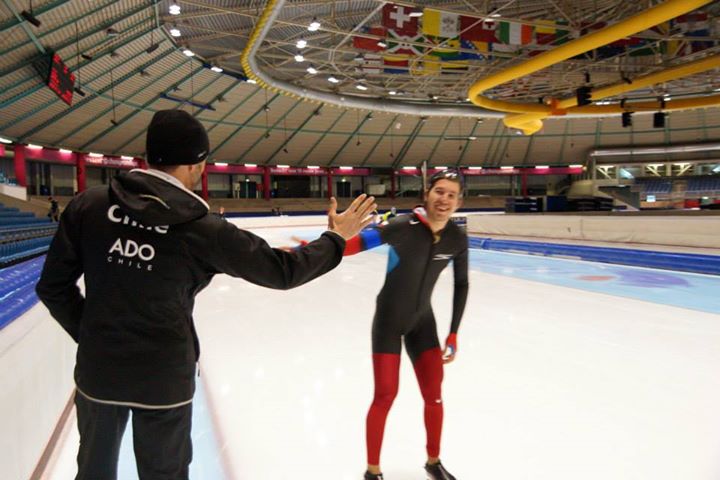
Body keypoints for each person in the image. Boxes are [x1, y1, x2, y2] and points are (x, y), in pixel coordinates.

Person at [35, 109, 376, 480]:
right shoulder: (203, 229)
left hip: (100, 373)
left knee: (92, 473)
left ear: (149, 156)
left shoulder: (90, 205)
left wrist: (92, 334)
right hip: (164, 378)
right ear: (198, 165)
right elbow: (283, 271)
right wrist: (336, 239)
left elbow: (52, 287)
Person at [344, 169, 469, 480]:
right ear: (427, 192)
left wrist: (453, 332)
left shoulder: (457, 238)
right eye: (440, 191)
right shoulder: (401, 226)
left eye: (451, 195)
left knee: (434, 396)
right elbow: (353, 246)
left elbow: (462, 284)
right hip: (388, 320)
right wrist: (331, 238)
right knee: (385, 395)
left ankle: (433, 462)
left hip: (422, 323)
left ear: (459, 202)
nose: (444, 199)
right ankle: (373, 471)